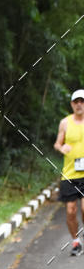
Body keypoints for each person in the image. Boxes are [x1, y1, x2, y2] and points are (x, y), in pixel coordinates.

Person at [54, 88, 84, 255]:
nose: (79, 104)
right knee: (71, 210)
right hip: (70, 174)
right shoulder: (65, 123)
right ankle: (75, 242)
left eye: (82, 101)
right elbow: (57, 143)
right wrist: (61, 147)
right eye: (76, 101)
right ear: (72, 104)